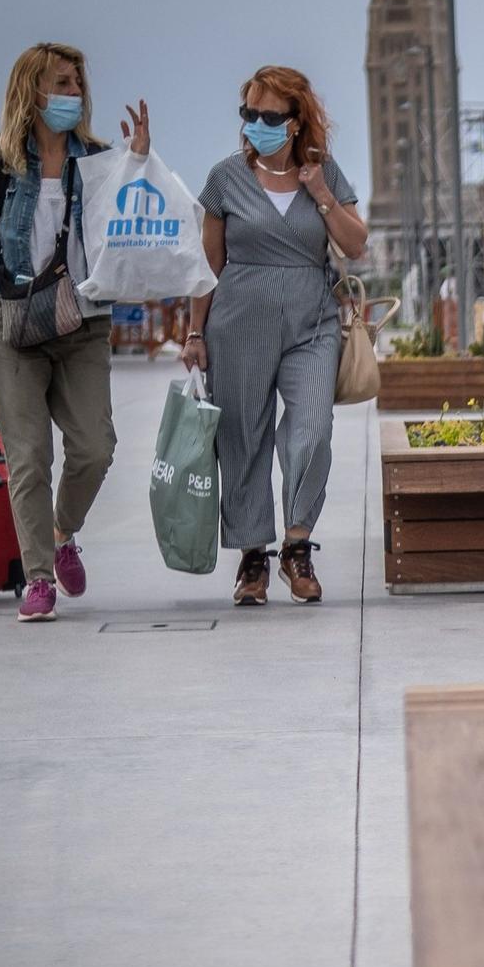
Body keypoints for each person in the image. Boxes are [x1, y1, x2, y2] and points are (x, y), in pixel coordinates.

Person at [0, 41, 149, 623]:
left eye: (77, 83)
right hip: (8, 315)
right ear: (31, 90)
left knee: (95, 447)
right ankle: (38, 577)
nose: (73, 94)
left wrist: (137, 162)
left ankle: (62, 533)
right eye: (61, 83)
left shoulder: (99, 158)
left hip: (81, 317)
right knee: (29, 456)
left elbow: (133, 222)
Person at [184, 66, 367, 606]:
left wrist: (321, 195)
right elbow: (208, 262)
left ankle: (297, 544)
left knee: (312, 428)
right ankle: (251, 557)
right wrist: (195, 331)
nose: (256, 124)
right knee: (241, 438)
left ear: (294, 122)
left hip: (312, 320)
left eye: (269, 116)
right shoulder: (224, 178)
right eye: (249, 114)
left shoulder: (324, 171)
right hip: (238, 320)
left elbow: (356, 245)